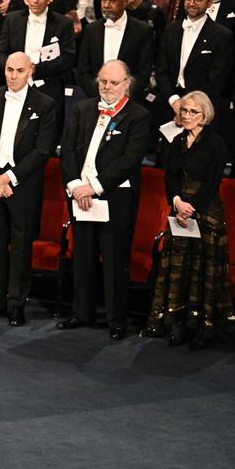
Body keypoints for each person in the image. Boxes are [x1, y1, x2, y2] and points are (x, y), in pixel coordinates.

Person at [58, 60, 150, 341]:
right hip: (79, 194)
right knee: (83, 255)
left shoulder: (138, 115)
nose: (107, 87)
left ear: (127, 85)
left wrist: (93, 188)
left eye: (113, 82)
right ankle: (81, 312)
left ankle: (116, 319)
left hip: (115, 195)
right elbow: (68, 149)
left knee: (113, 259)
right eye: (103, 82)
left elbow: (129, 160)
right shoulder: (82, 109)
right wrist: (76, 186)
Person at [0, 52, 57, 326]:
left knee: (20, 248)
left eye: (20, 70)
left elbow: (42, 150)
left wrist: (9, 178)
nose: (14, 75)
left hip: (23, 186)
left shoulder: (45, 104)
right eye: (9, 70)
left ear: (31, 71)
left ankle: (16, 304)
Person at [142, 91, 234, 349]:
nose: (187, 115)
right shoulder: (175, 142)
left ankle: (202, 327)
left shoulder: (215, 144)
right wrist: (176, 201)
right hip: (180, 208)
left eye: (193, 112)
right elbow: (170, 176)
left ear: (204, 115)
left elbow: (214, 181)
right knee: (178, 267)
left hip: (205, 212)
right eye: (184, 111)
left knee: (202, 268)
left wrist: (192, 207)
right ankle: (176, 323)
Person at [0, 0, 76, 132]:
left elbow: (68, 59)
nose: (35, 0)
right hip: (14, 84)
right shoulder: (12, 19)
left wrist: (35, 70)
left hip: (48, 85)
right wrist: (17, 71)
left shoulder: (63, 24)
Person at [155, 0, 233, 126]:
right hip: (169, 104)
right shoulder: (170, 30)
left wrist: (189, 110)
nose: (191, 3)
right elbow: (161, 71)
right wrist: (174, 101)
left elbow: (217, 80)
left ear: (210, 2)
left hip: (202, 110)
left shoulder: (222, 36)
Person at [77, 0, 156, 100]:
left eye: (112, 1)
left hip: (129, 102)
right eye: (104, 0)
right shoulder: (91, 30)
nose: (106, 5)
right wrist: (99, 95)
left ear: (125, 1)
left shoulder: (142, 31)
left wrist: (123, 96)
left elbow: (143, 72)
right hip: (95, 100)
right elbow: (83, 70)